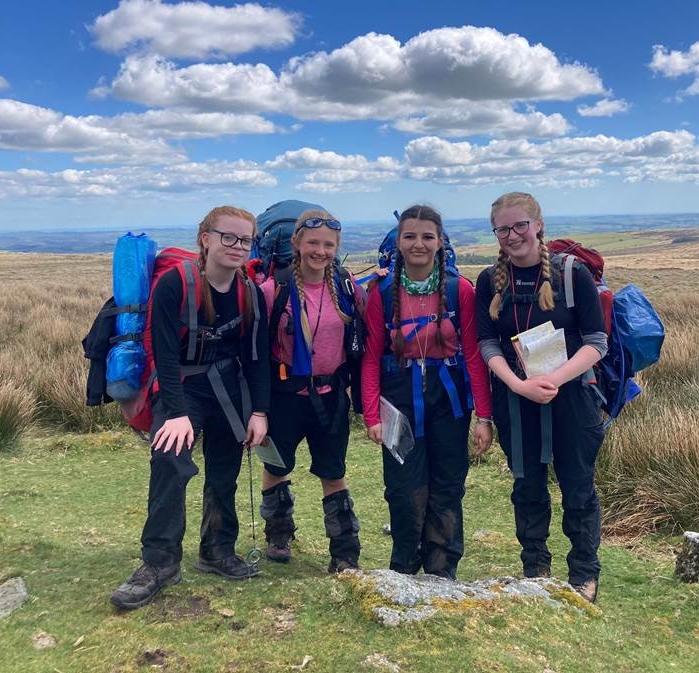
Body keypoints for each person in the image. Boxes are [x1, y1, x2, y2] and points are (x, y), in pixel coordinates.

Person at [110, 206, 270, 611]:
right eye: (227, 237)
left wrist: (260, 411)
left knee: (225, 469)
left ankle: (217, 550)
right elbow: (163, 352)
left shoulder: (249, 292)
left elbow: (256, 359)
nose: (236, 246)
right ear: (206, 238)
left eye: (244, 240)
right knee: (169, 461)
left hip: (228, 388)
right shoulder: (174, 285)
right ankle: (159, 563)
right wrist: (177, 413)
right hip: (180, 387)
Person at [475, 192, 608, 603]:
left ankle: (584, 574)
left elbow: (596, 340)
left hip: (571, 399)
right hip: (515, 400)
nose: (513, 235)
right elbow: (487, 342)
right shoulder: (488, 281)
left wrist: (554, 379)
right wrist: (518, 386)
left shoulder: (573, 275)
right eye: (503, 228)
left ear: (538, 225)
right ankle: (535, 568)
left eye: (520, 226)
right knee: (526, 486)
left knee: (578, 487)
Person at [362, 205, 492, 579]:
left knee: (448, 487)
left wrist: (483, 417)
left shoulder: (459, 290)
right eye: (410, 236)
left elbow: (472, 356)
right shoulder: (382, 294)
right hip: (398, 404)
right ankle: (403, 568)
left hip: (449, 403)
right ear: (398, 243)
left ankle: (441, 570)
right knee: (402, 490)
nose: (418, 244)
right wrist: (372, 416)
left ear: (440, 243)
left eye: (427, 237)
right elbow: (371, 358)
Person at [258, 210, 363, 573]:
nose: (321, 251)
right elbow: (256, 351)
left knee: (333, 472)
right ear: (297, 244)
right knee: (276, 466)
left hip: (332, 396)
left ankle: (345, 554)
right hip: (284, 397)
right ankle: (278, 534)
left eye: (329, 245)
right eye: (313, 243)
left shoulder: (349, 289)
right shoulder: (273, 291)